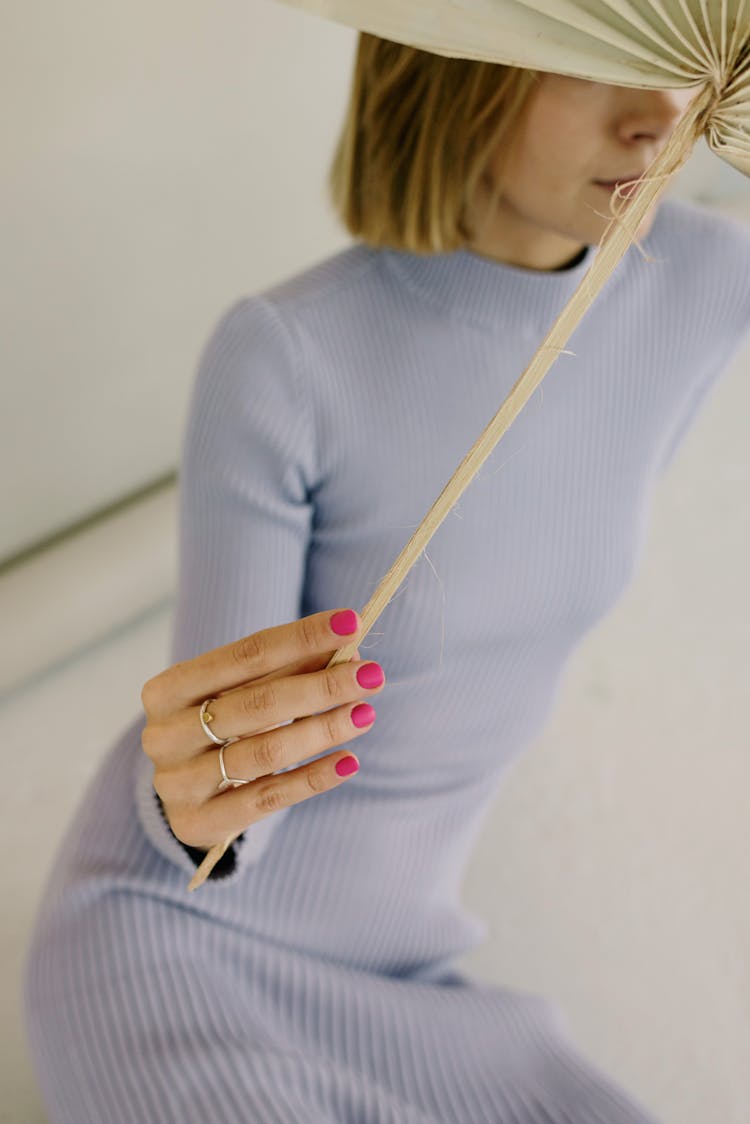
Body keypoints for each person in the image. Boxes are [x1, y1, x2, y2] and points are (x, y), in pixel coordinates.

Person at [23, 32, 750, 1124]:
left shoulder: (704, 278)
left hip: (417, 986)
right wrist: (191, 787)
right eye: (597, 53)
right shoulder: (284, 353)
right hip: (182, 935)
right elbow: (216, 814)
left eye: (673, 47)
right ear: (465, 58)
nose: (653, 111)